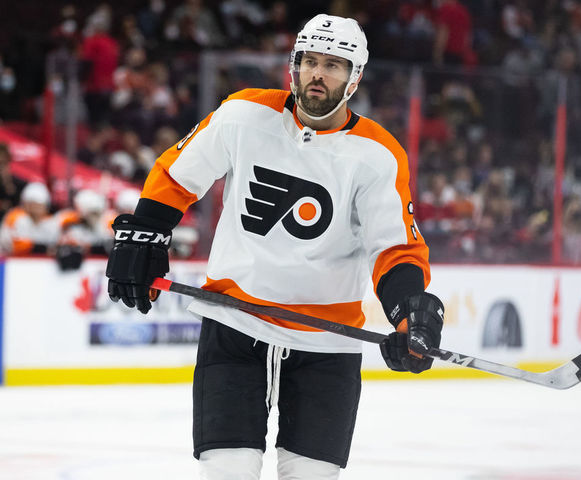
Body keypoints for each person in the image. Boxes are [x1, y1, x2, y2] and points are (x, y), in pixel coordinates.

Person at [106, 14, 444, 480]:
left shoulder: (377, 154)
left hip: (327, 341)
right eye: (309, 61)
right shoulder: (244, 114)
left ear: (355, 77)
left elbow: (395, 249)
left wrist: (409, 310)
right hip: (233, 324)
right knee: (227, 471)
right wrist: (146, 232)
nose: (317, 74)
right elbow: (176, 174)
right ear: (293, 64)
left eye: (333, 65)